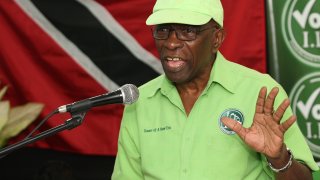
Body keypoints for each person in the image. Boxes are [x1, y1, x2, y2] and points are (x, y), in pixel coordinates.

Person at [112, 0, 319, 179]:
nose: (172, 43)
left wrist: (279, 157)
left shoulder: (260, 92)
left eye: (188, 31)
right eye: (163, 30)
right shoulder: (141, 101)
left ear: (216, 39)